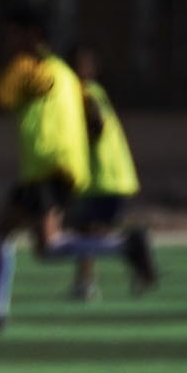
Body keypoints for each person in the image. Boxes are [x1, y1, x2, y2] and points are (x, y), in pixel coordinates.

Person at [0, 5, 156, 329]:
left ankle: (124, 246)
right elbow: (96, 123)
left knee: (31, 241)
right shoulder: (66, 73)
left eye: (12, 33)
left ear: (33, 35)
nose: (7, 41)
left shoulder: (26, 67)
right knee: (20, 238)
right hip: (69, 168)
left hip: (45, 165)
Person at [63, 45, 155, 303]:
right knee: (90, 230)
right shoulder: (95, 91)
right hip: (112, 173)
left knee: (89, 231)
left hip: (100, 175)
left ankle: (129, 253)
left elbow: (97, 126)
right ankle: (87, 282)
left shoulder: (82, 93)